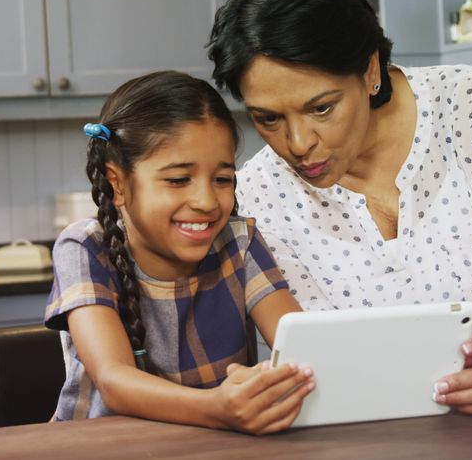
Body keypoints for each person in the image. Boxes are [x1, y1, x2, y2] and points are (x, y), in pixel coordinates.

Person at [206, 0, 472, 416]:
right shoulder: (259, 192)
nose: (297, 144)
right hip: (391, 433)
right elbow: (319, 350)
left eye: (321, 108)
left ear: (370, 69)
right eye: (268, 118)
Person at [44, 71, 313, 434]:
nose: (205, 201)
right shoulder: (86, 247)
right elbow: (113, 381)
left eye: (222, 179)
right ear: (117, 183)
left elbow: (304, 347)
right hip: (101, 446)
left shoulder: (239, 241)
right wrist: (217, 408)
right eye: (177, 180)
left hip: (211, 446)